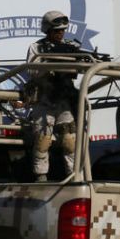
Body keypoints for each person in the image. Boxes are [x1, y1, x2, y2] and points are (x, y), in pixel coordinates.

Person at [25, 10, 79, 182]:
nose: (60, 33)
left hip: (63, 99)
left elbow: (77, 69)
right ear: (48, 30)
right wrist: (50, 66)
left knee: (69, 140)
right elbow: (32, 70)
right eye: (57, 31)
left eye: (63, 30)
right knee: (43, 139)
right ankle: (41, 176)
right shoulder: (37, 47)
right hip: (45, 98)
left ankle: (73, 175)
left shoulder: (70, 47)